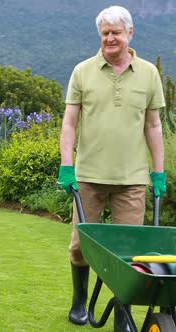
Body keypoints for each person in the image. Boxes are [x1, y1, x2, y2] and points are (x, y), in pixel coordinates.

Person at [58, 5, 166, 331]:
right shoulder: (82, 71)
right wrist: (67, 165)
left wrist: (158, 172)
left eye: (116, 32)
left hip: (133, 178)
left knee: (128, 254)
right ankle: (79, 301)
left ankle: (123, 312)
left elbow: (154, 126)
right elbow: (69, 124)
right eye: (105, 33)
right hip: (88, 176)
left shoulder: (148, 73)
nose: (109, 38)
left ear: (130, 34)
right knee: (80, 246)